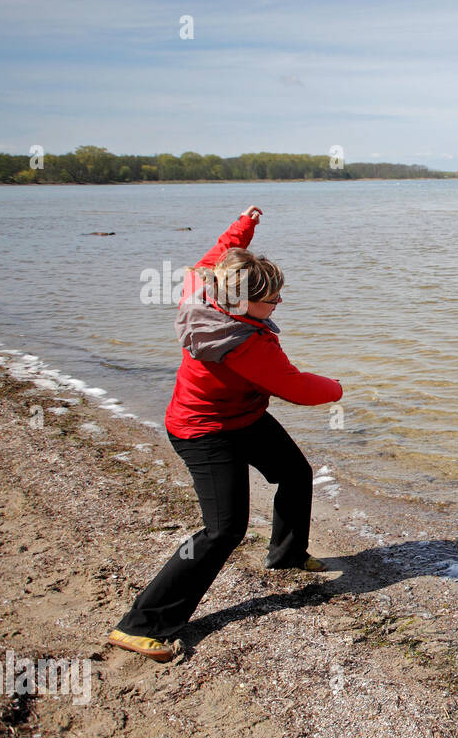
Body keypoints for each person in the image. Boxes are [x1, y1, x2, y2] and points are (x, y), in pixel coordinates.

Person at [108, 205, 343, 661]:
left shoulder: (204, 286)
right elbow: (295, 387)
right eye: (272, 300)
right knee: (224, 529)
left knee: (295, 473)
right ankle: (141, 624)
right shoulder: (244, 344)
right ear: (242, 303)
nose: (278, 305)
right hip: (203, 431)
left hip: (243, 416)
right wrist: (338, 388)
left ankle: (286, 555)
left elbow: (223, 251)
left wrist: (244, 225)